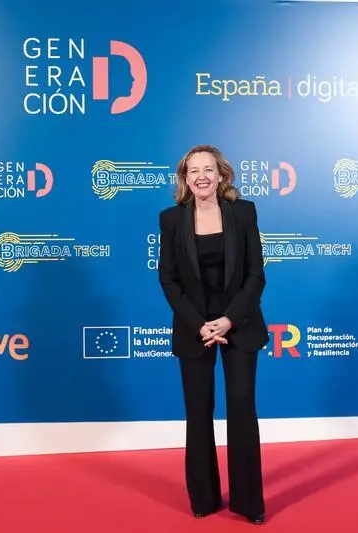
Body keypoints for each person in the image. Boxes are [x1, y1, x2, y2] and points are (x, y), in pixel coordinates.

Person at [157, 144, 269, 525]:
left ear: (221, 175)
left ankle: (249, 503)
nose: (202, 176)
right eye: (194, 171)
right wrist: (198, 323)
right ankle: (203, 498)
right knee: (198, 412)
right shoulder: (171, 220)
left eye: (208, 169)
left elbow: (256, 275)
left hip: (239, 324)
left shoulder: (244, 213)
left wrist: (228, 320)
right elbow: (168, 279)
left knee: (241, 408)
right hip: (195, 328)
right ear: (185, 179)